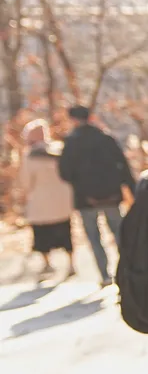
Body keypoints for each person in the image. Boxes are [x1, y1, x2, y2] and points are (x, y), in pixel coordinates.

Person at [58, 105, 135, 286]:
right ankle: (127, 270)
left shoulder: (71, 142)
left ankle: (105, 274)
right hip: (112, 195)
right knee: (118, 233)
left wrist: (79, 183)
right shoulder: (106, 138)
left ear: (73, 119)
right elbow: (123, 165)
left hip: (85, 199)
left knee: (94, 237)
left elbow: (64, 173)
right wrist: (130, 188)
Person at [17, 119, 77, 279]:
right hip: (63, 198)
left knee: (41, 232)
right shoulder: (59, 148)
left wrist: (25, 194)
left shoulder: (29, 156)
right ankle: (71, 262)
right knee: (65, 230)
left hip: (40, 199)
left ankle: (47, 263)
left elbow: (26, 180)